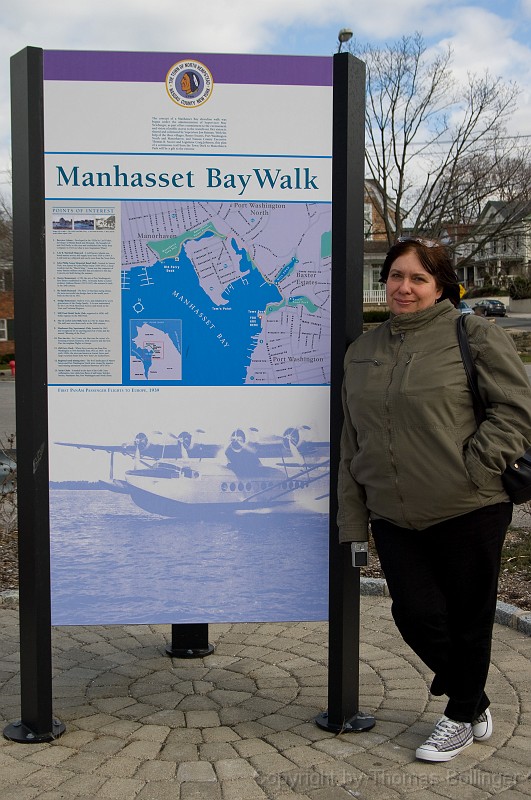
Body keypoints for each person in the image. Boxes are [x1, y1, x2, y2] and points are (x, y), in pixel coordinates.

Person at [338, 237, 531, 762]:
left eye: (418, 278)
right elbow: (351, 443)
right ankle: (474, 698)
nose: (403, 287)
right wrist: (352, 523)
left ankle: (458, 716)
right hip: (394, 515)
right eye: (396, 276)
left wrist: (474, 467)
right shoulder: (364, 351)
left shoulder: (474, 335)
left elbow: (515, 412)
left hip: (469, 507)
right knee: (416, 615)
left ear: (440, 284)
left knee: (469, 618)